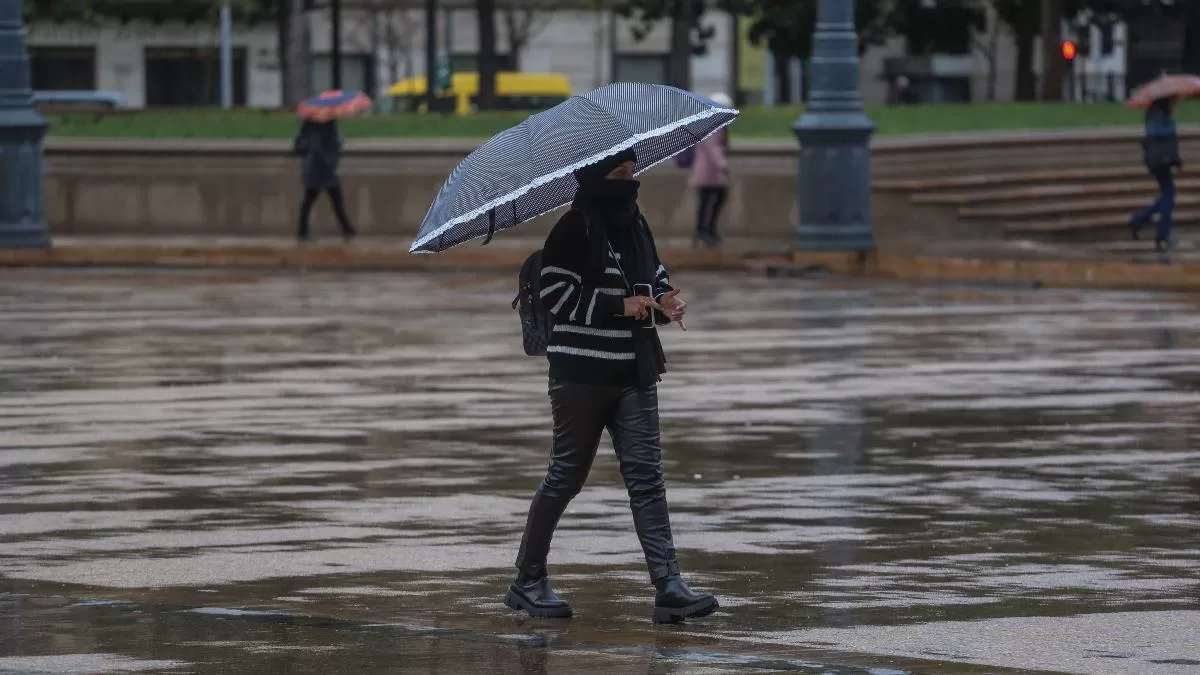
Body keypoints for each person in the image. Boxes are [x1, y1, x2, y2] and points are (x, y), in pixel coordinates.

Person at [504, 148, 719, 624]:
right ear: (597, 178)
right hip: (581, 376)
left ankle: (668, 586)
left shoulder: (636, 225)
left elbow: (652, 274)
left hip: (634, 372)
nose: (629, 183)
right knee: (566, 476)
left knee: (647, 479)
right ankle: (528, 579)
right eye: (619, 175)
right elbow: (557, 294)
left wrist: (663, 300)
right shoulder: (572, 228)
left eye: (632, 173)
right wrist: (619, 306)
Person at [1129, 97, 1183, 251]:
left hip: (1161, 160)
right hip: (1160, 161)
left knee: (1168, 194)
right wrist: (1171, 125)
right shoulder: (1158, 114)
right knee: (1169, 194)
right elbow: (1159, 134)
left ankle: (1139, 220)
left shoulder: (1159, 111)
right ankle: (1161, 234)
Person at [293, 119, 357, 243]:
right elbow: (327, 145)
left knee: (315, 200)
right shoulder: (327, 124)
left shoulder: (309, 124)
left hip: (316, 168)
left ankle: (346, 228)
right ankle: (346, 229)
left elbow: (301, 144)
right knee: (331, 200)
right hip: (322, 169)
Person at [691, 92, 732, 248]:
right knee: (710, 200)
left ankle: (706, 230)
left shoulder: (709, 122)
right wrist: (723, 165)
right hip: (708, 171)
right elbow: (712, 148)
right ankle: (704, 231)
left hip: (709, 171)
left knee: (708, 200)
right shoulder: (713, 125)